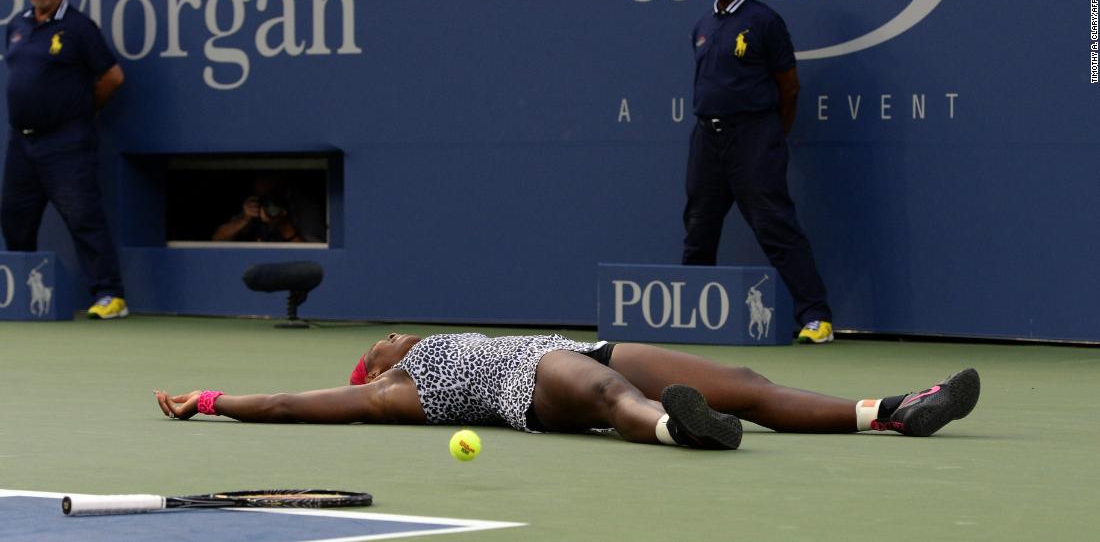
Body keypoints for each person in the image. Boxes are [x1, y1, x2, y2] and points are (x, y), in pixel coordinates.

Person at [156, 332, 980, 445]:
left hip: (577, 344)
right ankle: (676, 430)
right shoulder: (402, 388)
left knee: (743, 381)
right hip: (535, 385)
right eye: (370, 355)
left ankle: (893, 411)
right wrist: (210, 399)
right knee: (602, 389)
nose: (377, 343)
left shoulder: (450, 332)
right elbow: (295, 404)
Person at [683, 0, 834, 343]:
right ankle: (690, 317)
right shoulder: (702, 24)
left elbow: (790, 86)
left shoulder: (765, 21)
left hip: (753, 136)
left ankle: (816, 317)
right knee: (699, 227)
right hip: (706, 138)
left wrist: (770, 134)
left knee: (774, 225)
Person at [2, 0, 127, 319]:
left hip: (66, 143)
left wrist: (78, 113)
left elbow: (112, 77)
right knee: (13, 218)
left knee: (83, 217)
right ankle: (19, 296)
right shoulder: (16, 25)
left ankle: (109, 296)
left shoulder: (78, 28)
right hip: (21, 143)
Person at [212, 173, 324, 243]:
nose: (269, 205)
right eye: (263, 198)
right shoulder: (255, 206)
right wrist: (244, 219)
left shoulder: (303, 208)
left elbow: (313, 256)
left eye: (272, 197)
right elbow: (217, 240)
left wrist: (284, 225)